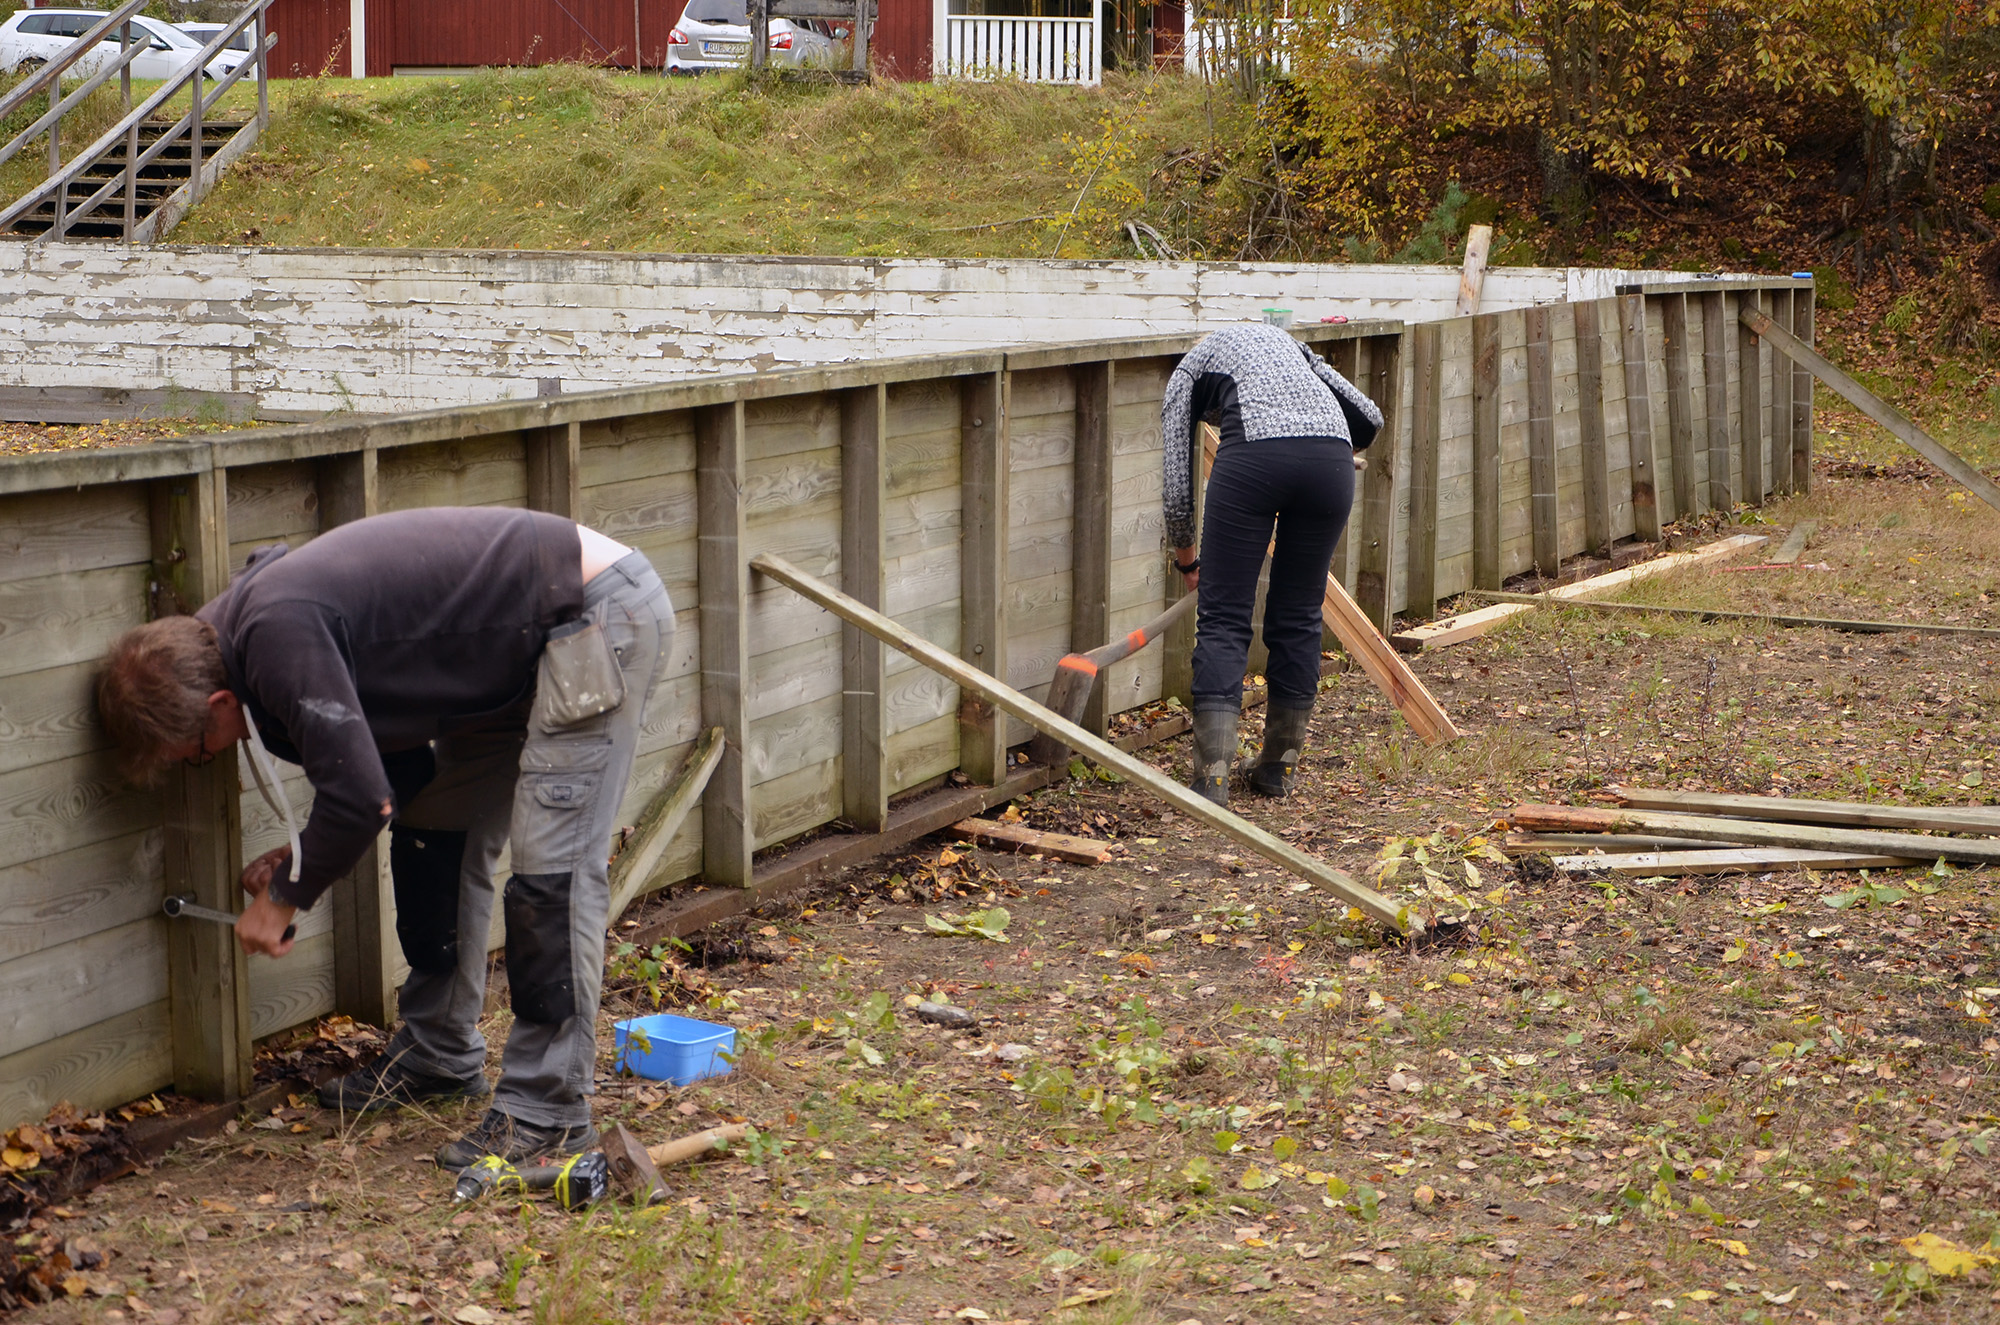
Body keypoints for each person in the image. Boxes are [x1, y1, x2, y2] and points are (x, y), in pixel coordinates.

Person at [97, 507, 674, 1171]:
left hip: (590, 616)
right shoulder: (232, 639)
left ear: (220, 706)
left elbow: (358, 797)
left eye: (196, 750)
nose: (204, 760)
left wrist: (285, 896)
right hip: (507, 657)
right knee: (433, 832)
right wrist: (302, 858)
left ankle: (546, 1113)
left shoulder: (273, 635)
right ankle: (439, 1054)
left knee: (552, 874)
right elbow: (396, 772)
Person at [1161, 322, 1382, 806]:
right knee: (1299, 614)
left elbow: (1177, 489)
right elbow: (1368, 417)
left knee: (1222, 618)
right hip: (1330, 466)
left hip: (1254, 467)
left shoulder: (1188, 370)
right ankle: (1277, 769)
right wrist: (1324, 449)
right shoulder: (1293, 347)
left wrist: (1187, 562)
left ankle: (1211, 781)